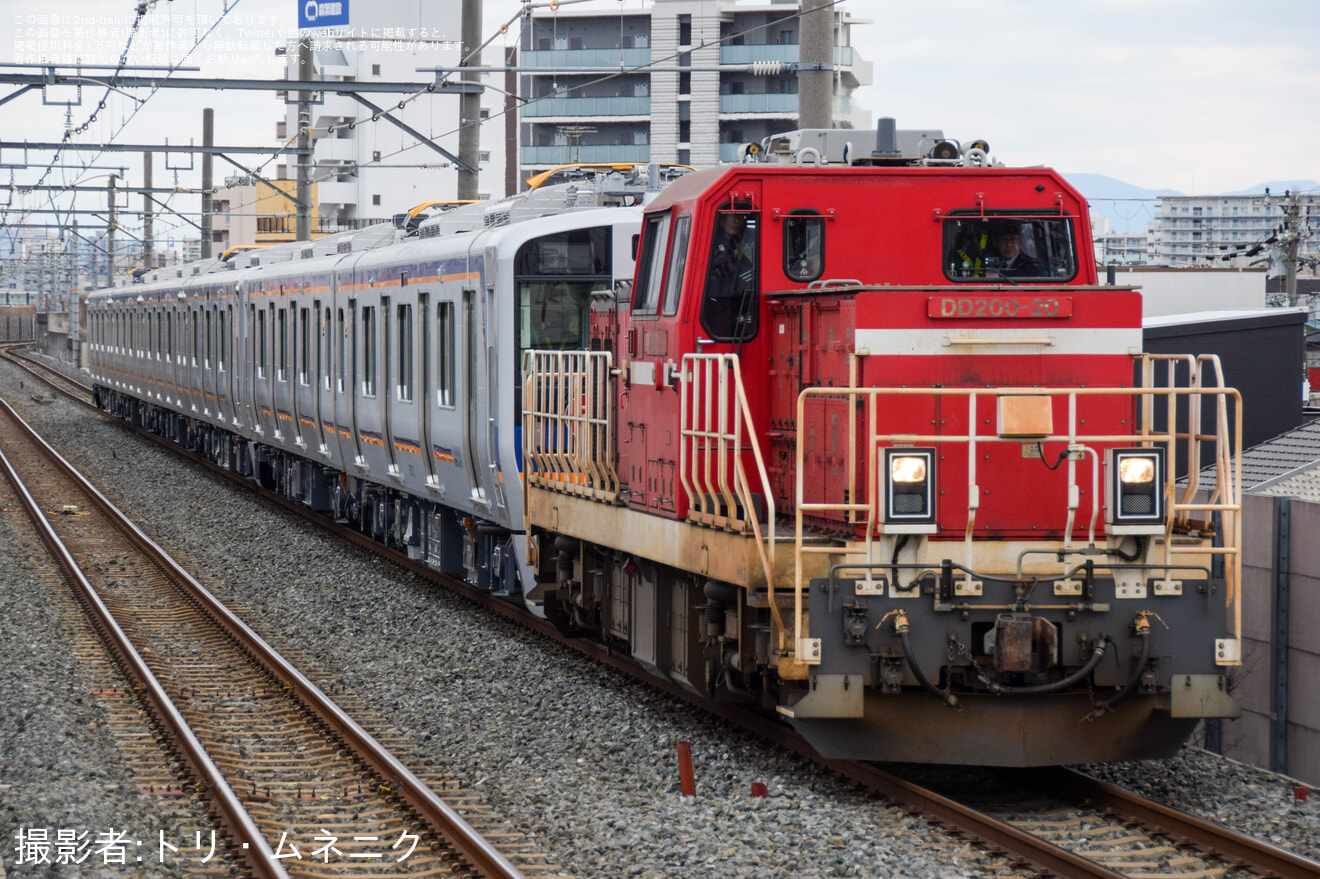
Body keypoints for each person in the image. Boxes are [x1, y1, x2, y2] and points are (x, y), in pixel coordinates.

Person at [702, 211, 756, 339]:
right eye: (733, 216)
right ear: (721, 217)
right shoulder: (709, 240)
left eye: (740, 217)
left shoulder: (747, 240)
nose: (737, 221)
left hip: (740, 298)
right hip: (713, 299)